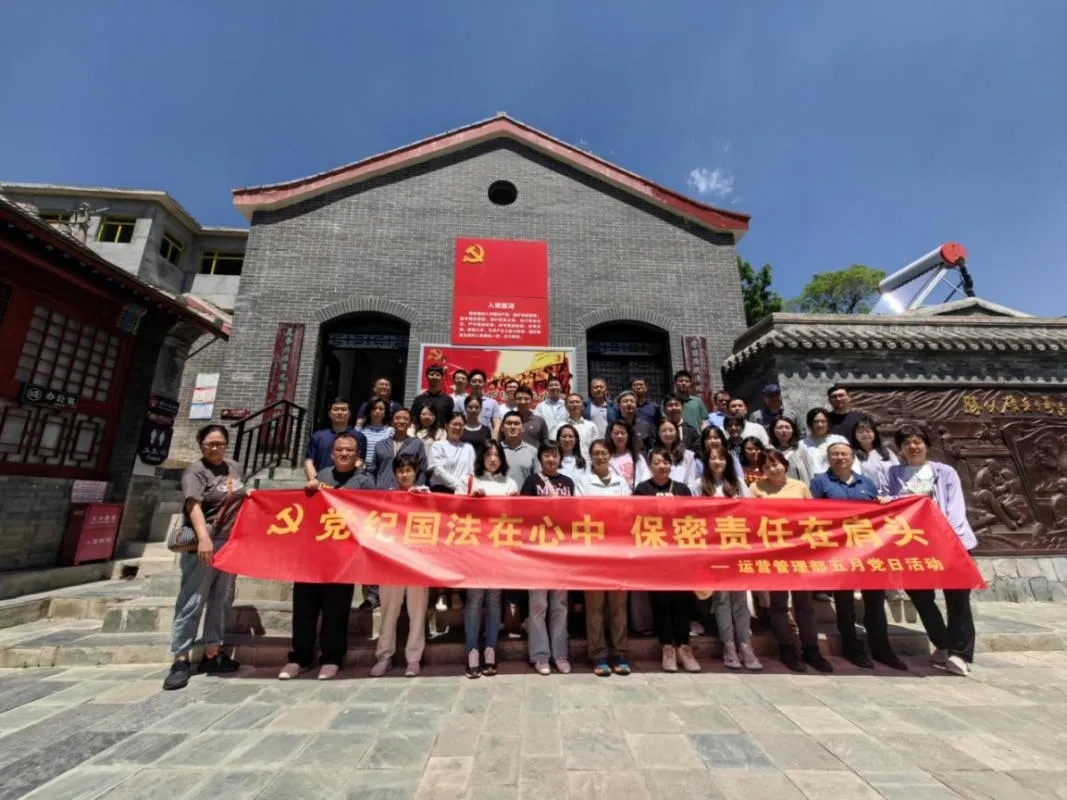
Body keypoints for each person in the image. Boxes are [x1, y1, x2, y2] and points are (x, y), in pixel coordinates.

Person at [880, 425, 978, 677]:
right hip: (912, 546)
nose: (912, 447)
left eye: (917, 442)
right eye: (906, 443)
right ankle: (943, 643)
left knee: (958, 600)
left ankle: (960, 654)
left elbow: (956, 509)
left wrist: (948, 539)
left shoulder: (944, 472)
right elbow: (887, 502)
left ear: (926, 445)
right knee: (920, 596)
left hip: (950, 544)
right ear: (900, 449)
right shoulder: (893, 473)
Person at [280, 433, 372, 681]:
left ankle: (332, 658)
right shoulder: (322, 475)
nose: (344, 454)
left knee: (336, 609)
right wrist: (309, 491)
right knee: (304, 607)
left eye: (349, 450)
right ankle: (300, 658)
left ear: (357, 455)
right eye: (339, 449)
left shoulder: (365, 482)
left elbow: (368, 515)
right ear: (332, 453)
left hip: (342, 556)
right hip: (312, 553)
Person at [163, 425, 247, 690]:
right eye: (210, 444)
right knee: (194, 599)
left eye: (220, 443)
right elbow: (194, 506)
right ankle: (180, 657)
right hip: (206, 542)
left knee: (222, 598)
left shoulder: (233, 467)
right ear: (201, 445)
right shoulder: (196, 471)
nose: (215, 448)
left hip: (230, 543)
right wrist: (203, 539)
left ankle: (213, 652)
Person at [810, 441, 905, 670]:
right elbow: (812, 514)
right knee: (844, 602)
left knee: (875, 601)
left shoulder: (867, 483)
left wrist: (882, 504)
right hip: (838, 551)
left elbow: (877, 512)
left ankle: (881, 648)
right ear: (828, 458)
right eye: (835, 454)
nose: (840, 457)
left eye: (844, 454)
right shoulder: (819, 482)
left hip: (867, 550)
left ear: (853, 458)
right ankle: (851, 647)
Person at [750, 450, 833, 673]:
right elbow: (751, 518)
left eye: (776, 464)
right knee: (778, 604)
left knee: (804, 605)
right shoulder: (756, 488)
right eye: (767, 466)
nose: (772, 469)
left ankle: (811, 649)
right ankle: (786, 648)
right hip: (774, 553)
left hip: (799, 552)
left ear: (785, 465)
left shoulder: (799, 487)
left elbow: (813, 517)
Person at [634, 448, 699, 672]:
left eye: (666, 462)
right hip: (655, 556)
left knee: (682, 600)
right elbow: (637, 519)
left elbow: (692, 518)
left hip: (680, 555)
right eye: (657, 462)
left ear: (671, 465)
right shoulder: (642, 490)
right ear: (650, 466)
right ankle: (667, 647)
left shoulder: (682, 489)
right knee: (660, 602)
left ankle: (684, 646)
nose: (662, 466)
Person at [699, 445, 760, 671]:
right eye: (713, 458)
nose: (717, 462)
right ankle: (728, 645)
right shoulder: (699, 485)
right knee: (721, 599)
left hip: (737, 548)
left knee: (740, 598)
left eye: (721, 458)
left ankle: (745, 645)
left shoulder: (739, 484)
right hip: (713, 550)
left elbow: (752, 514)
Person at [371, 454, 431, 678]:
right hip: (392, 561)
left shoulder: (425, 494)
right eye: (400, 471)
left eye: (408, 470)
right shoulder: (388, 496)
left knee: (417, 611)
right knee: (389, 610)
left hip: (417, 562)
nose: (404, 475)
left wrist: (421, 499)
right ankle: (384, 656)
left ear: (416, 472)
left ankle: (413, 658)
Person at [521, 442, 577, 675]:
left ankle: (560, 655)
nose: (551, 459)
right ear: (540, 458)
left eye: (554, 455)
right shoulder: (531, 482)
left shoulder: (568, 483)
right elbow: (523, 515)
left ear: (560, 458)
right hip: (537, 552)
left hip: (561, 552)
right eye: (546, 455)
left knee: (560, 606)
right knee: (538, 605)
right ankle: (540, 655)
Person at [464, 440, 518, 678]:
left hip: (499, 550)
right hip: (475, 549)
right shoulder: (470, 481)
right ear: (481, 458)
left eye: (497, 455)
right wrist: (470, 499)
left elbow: (517, 515)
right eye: (488, 455)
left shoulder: (510, 483)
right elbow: (453, 512)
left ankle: (490, 649)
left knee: (495, 599)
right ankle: (471, 650)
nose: (493, 459)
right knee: (474, 599)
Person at [582, 441, 631, 676]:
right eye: (595, 454)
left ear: (610, 455)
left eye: (603, 453)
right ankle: (598, 655)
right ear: (590, 457)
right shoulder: (582, 482)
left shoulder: (621, 483)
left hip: (618, 552)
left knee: (618, 606)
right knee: (595, 607)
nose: (600, 457)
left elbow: (627, 513)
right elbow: (580, 513)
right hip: (592, 553)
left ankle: (620, 653)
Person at [303, 398, 367, 483]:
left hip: (348, 484)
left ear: (349, 414)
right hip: (321, 483)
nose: (340, 412)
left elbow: (359, 461)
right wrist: (315, 481)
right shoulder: (318, 436)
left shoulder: (359, 437)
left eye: (343, 410)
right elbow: (309, 461)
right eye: (336, 409)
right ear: (330, 414)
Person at [790, 408, 849, 486]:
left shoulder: (839, 440)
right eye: (816, 422)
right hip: (812, 483)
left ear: (828, 423)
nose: (820, 424)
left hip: (839, 482)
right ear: (810, 423)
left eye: (823, 421)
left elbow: (851, 461)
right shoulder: (802, 444)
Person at [374, 408, 427, 490]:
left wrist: (417, 487)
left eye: (405, 419)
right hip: (383, 491)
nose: (401, 421)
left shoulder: (417, 444)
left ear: (410, 423)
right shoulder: (380, 445)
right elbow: (373, 470)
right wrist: (374, 487)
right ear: (392, 422)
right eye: (397, 418)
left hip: (408, 492)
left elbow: (422, 470)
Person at [429, 413, 475, 493]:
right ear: (447, 426)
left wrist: (464, 487)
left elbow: (470, 472)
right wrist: (457, 485)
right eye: (454, 424)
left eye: (461, 425)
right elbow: (437, 470)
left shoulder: (469, 448)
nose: (457, 427)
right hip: (441, 490)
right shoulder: (438, 445)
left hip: (463, 492)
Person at [850, 414, 899, 485]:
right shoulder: (852, 455)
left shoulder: (886, 451)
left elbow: (898, 471)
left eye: (868, 431)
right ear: (855, 435)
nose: (865, 434)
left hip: (892, 490)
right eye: (860, 432)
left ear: (875, 433)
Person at [607, 419, 650, 491]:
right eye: (616, 433)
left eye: (623, 433)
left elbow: (645, 477)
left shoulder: (638, 457)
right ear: (611, 435)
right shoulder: (607, 458)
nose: (619, 436)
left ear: (628, 435)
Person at [655, 418, 699, 488]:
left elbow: (691, 483)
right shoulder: (652, 454)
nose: (667, 433)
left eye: (671, 430)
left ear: (677, 432)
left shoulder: (688, 455)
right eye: (663, 431)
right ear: (658, 434)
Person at [499, 410, 539, 486]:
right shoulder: (495, 451)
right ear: (502, 428)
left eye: (516, 424)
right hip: (500, 493)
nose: (513, 427)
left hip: (524, 493)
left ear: (523, 428)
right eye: (509, 423)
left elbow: (538, 480)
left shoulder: (533, 452)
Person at [411, 365, 456, 430]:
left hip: (441, 434)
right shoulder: (418, 399)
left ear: (442, 378)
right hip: (421, 433)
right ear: (427, 377)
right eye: (431, 374)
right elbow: (414, 419)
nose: (434, 377)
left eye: (438, 375)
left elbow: (450, 420)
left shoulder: (448, 399)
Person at [358, 397, 394, 472]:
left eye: (381, 409)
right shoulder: (359, 430)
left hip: (381, 470)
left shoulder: (391, 431)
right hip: (360, 469)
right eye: (374, 408)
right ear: (369, 411)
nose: (377, 411)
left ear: (385, 412)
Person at [561, 392, 599, 460]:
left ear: (583, 406)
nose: (575, 405)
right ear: (566, 407)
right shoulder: (560, 426)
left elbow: (596, 447)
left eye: (577, 402)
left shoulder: (591, 426)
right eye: (571, 402)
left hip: (587, 463)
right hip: (566, 463)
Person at [468, 369, 502, 438]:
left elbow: (497, 426)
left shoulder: (493, 403)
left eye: (480, 381)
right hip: (465, 441)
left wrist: (493, 441)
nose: (477, 384)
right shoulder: (461, 401)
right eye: (474, 381)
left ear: (484, 384)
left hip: (485, 441)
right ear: (469, 383)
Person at [534, 375, 568, 439]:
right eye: (551, 385)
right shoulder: (540, 406)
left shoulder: (567, 405)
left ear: (561, 388)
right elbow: (536, 423)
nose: (554, 387)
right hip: (547, 440)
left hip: (565, 439)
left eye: (556, 385)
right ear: (547, 389)